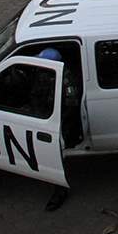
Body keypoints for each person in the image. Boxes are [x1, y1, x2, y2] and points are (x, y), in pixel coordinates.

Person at [35, 46, 80, 212]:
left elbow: (71, 106)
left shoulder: (66, 81)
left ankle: (60, 190)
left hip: (57, 123)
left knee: (55, 156)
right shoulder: (45, 74)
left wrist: (55, 123)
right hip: (42, 116)